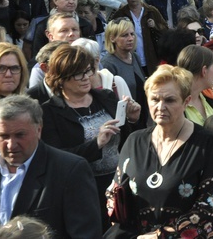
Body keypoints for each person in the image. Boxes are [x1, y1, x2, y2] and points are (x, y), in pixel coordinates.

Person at [104, 65, 213, 238]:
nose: (160, 107)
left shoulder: (206, 143)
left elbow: (208, 206)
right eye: (154, 99)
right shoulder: (134, 141)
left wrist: (160, 236)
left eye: (169, 100)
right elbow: (115, 194)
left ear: (186, 101)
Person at [40, 44, 141, 231]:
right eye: (78, 74)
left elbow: (127, 139)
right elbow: (56, 157)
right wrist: (97, 143)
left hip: (119, 183)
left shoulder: (106, 97)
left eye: (88, 71)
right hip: (83, 190)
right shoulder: (49, 112)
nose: (86, 78)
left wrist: (133, 119)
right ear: (60, 78)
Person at [0, 95, 102, 237]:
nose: (11, 145)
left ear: (39, 130)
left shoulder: (69, 170)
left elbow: (87, 234)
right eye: (4, 136)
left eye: (20, 135)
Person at [111, 0, 168, 75]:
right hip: (129, 59)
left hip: (152, 57)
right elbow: (111, 34)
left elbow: (165, 31)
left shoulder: (151, 11)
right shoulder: (120, 14)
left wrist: (155, 26)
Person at [100, 18, 146, 102]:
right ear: (112, 38)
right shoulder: (107, 64)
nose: (130, 38)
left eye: (132, 34)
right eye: (125, 35)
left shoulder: (134, 56)